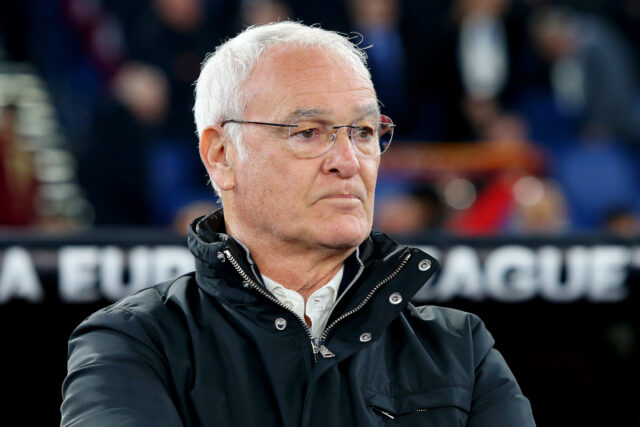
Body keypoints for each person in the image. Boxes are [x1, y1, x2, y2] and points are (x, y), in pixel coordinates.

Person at [60, 22, 535, 426]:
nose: (349, 161)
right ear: (221, 155)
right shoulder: (133, 345)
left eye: (364, 132)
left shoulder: (461, 350)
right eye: (308, 132)